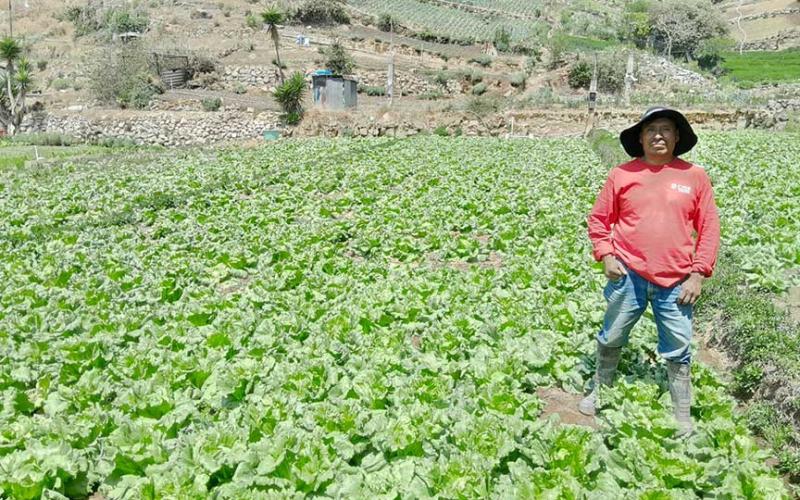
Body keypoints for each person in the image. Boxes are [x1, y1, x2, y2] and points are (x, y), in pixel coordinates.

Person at [581, 107, 721, 437]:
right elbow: (599, 220)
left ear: (676, 137)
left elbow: (709, 227)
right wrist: (606, 254)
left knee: (678, 343)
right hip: (628, 273)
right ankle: (601, 389)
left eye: (666, 129)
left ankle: (681, 412)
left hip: (677, 279)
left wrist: (698, 272)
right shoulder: (622, 175)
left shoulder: (694, 176)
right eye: (651, 130)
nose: (658, 135)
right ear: (641, 138)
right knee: (613, 333)